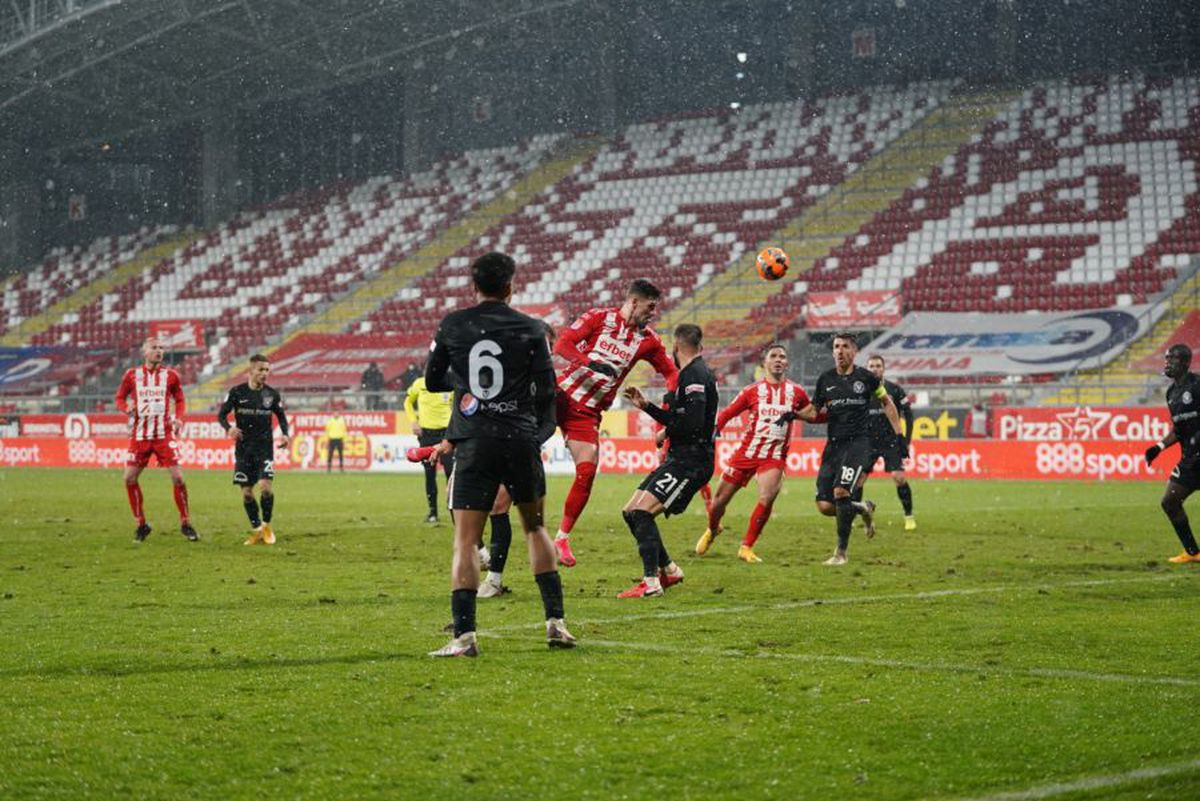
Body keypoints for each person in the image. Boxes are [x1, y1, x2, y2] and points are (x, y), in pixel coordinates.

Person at [425, 251, 575, 657]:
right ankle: (556, 623)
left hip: (474, 441)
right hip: (519, 440)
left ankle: (465, 637)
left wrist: (470, 381)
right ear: (511, 286)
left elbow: (433, 380)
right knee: (535, 529)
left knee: (466, 540)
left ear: (473, 287)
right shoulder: (529, 328)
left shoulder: (454, 324)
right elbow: (545, 390)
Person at [552, 279, 679, 567]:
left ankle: (561, 537)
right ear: (634, 302)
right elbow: (562, 344)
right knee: (521, 450)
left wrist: (672, 404)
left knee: (587, 469)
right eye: (649, 307)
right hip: (560, 396)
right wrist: (588, 362)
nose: (652, 313)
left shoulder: (648, 341)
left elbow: (671, 374)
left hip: (587, 413)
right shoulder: (599, 318)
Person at [617, 323, 717, 598]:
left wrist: (667, 430)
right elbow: (683, 419)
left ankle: (651, 583)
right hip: (680, 457)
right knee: (630, 512)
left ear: (675, 346)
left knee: (641, 513)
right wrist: (647, 406)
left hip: (691, 460)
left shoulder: (695, 374)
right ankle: (670, 570)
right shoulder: (692, 373)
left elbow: (693, 423)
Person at [696, 343, 816, 563]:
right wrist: (713, 432)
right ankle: (713, 530)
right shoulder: (752, 391)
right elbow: (728, 413)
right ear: (765, 363)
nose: (779, 359)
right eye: (774, 356)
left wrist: (802, 415)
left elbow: (813, 414)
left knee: (767, 496)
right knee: (719, 503)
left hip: (774, 456)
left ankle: (746, 547)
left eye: (782, 356)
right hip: (747, 453)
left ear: (786, 363)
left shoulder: (796, 392)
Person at [804, 333, 906, 566]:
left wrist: (899, 434)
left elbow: (887, 403)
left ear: (855, 351)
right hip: (834, 446)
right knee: (826, 506)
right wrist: (792, 414)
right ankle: (862, 508)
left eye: (845, 347)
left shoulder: (867, 378)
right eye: (836, 347)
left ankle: (841, 553)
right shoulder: (825, 380)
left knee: (841, 492)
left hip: (859, 443)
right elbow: (812, 412)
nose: (840, 351)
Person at [115, 336, 197, 543]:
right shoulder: (132, 375)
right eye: (154, 348)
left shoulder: (171, 376)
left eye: (161, 348)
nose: (159, 351)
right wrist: (127, 408)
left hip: (164, 434)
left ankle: (186, 523)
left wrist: (178, 419)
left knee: (178, 478)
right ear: (145, 351)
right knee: (129, 478)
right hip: (140, 435)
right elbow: (119, 398)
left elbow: (179, 399)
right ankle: (141, 524)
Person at [218, 354, 291, 546]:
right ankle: (257, 529)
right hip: (243, 450)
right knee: (247, 494)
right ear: (250, 371)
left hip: (264, 448)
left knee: (265, 488)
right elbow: (221, 415)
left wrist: (285, 434)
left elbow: (282, 417)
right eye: (261, 370)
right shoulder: (236, 392)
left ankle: (267, 525)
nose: (264, 373)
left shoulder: (272, 394)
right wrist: (229, 428)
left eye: (267, 370)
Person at [1145, 343, 1200, 563]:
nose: (1167, 363)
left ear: (1185, 362)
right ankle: (1193, 552)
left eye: (1172, 359)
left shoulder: (1197, 385)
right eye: (1166, 359)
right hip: (1190, 460)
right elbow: (1179, 429)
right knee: (1169, 502)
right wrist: (1158, 447)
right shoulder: (1171, 393)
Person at [857, 354, 916, 531]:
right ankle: (857, 514)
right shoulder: (861, 391)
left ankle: (909, 516)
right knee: (858, 481)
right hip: (868, 442)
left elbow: (909, 415)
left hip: (890, 441)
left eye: (878, 366)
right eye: (871, 366)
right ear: (867, 369)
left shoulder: (894, 389)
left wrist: (905, 440)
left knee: (899, 478)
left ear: (883, 368)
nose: (874, 369)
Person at [405, 369, 453, 524]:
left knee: (450, 473)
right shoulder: (419, 383)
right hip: (426, 434)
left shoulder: (449, 383)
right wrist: (413, 421)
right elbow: (407, 401)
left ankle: (453, 508)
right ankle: (433, 512)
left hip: (446, 434)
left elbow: (458, 406)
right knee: (429, 474)